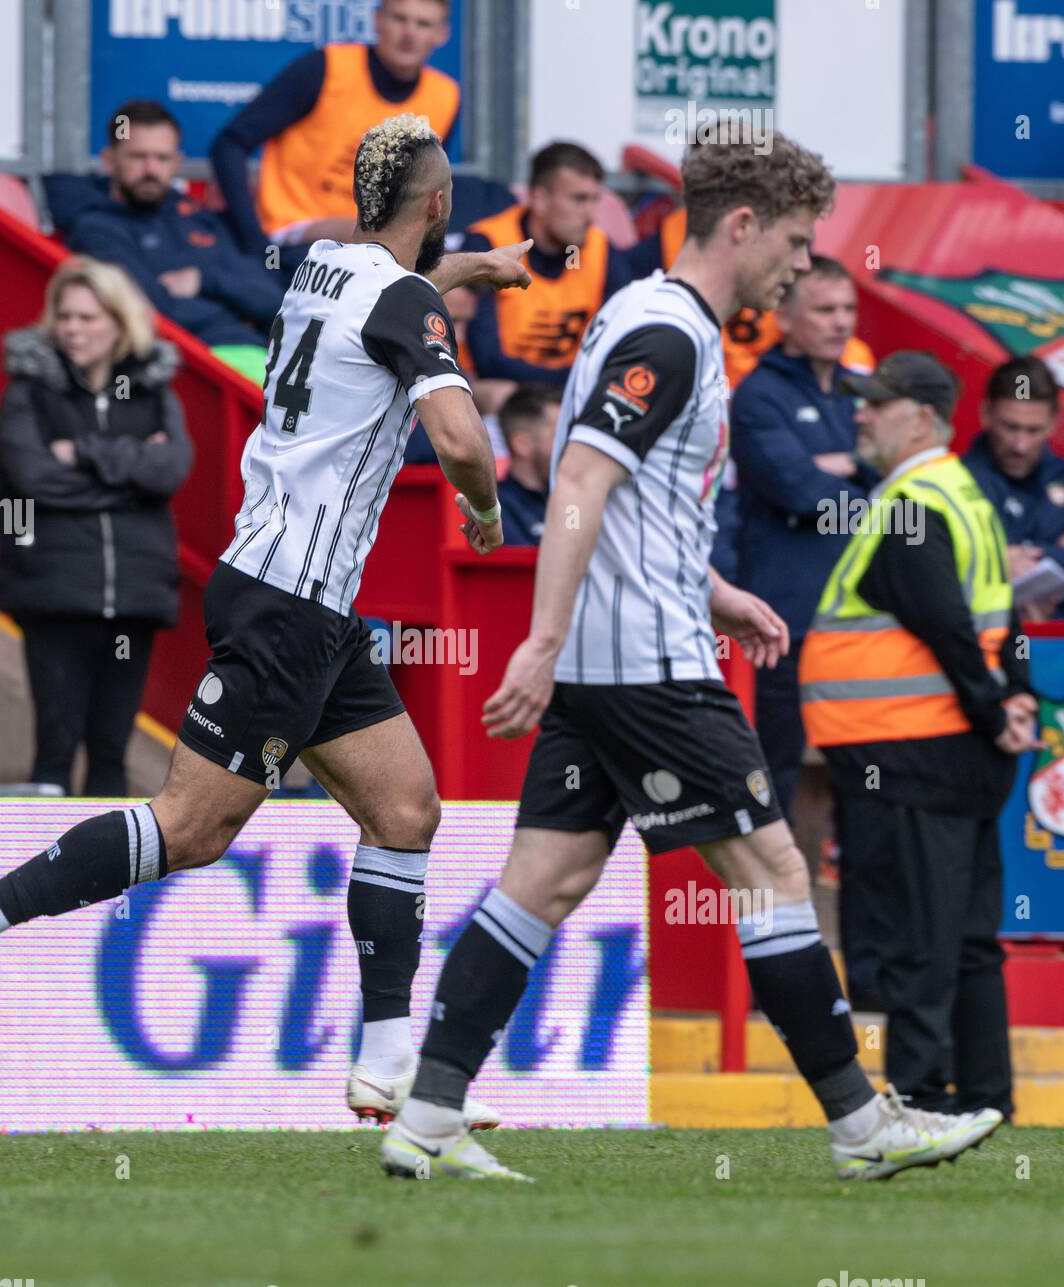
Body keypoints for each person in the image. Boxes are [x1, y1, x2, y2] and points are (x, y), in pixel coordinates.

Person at [380, 130, 1004, 1183]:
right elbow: (577, 478)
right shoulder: (669, 335)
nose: (803, 266)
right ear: (743, 224)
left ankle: (427, 1110)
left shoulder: (649, 323)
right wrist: (536, 638)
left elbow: (631, 500)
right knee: (771, 872)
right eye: (797, 243)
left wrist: (716, 591)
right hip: (648, 671)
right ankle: (859, 1125)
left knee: (546, 877)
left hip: (609, 656)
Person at [0, 114, 533, 1129]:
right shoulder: (405, 300)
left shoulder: (323, 261)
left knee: (405, 807)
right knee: (191, 829)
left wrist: (468, 268)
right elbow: (457, 436)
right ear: (438, 204)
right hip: (290, 599)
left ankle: (386, 1063)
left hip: (299, 596)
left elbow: (390, 281)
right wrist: (487, 507)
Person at [800, 350, 1040, 1121]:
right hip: (943, 752)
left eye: (878, 402)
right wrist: (1012, 701)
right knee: (966, 936)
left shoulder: (913, 500)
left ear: (924, 419)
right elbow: (1001, 623)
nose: (861, 412)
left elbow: (945, 623)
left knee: (914, 939)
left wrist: (991, 707)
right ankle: (985, 1100)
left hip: (909, 751)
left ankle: (921, 1100)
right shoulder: (962, 494)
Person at [0, 257, 193, 796]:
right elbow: (35, 479)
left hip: (135, 596)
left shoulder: (151, 391)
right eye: (66, 317)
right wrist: (130, 475)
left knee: (111, 754)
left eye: (88, 317)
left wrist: (80, 451)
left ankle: (106, 882)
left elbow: (172, 468)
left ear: (120, 322)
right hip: (54, 592)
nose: (74, 329)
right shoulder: (29, 391)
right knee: (53, 755)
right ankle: (36, 880)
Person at [731, 256, 877, 822]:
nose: (841, 322)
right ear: (785, 319)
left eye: (848, 309)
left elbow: (896, 474)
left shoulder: (864, 388)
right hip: (784, 621)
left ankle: (854, 909)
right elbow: (802, 493)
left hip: (859, 620)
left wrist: (841, 467)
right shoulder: (758, 396)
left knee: (864, 774)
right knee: (776, 770)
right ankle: (772, 906)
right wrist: (856, 477)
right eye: (825, 309)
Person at [212, 0, 460, 263]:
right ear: (377, 20)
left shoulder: (445, 96)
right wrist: (255, 243)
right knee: (373, 235)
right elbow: (230, 143)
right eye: (400, 19)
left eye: (423, 24)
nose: (409, 33)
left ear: (442, 34)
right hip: (295, 232)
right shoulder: (326, 67)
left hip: (377, 247)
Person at [66, 101, 284, 376]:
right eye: (137, 157)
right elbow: (153, 310)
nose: (150, 169)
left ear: (177, 162)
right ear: (110, 160)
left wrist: (204, 280)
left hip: (260, 356)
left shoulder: (198, 217)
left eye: (162, 158)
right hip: (191, 367)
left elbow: (275, 300)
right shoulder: (98, 228)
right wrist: (237, 301)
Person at [631, 203, 875, 391]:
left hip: (783, 370)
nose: (801, 262)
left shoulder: (785, 231)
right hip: (721, 384)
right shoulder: (662, 247)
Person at [463, 143, 634, 388]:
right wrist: (573, 381)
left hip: (571, 389)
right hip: (504, 390)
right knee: (499, 393)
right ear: (539, 199)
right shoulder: (490, 243)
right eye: (579, 199)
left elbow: (620, 346)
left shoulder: (600, 249)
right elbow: (487, 359)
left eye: (595, 200)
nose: (590, 214)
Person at [963, 355, 1064, 622]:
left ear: (1054, 422)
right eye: (1011, 427)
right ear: (986, 414)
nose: (1021, 445)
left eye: (1034, 430)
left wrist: (1010, 555)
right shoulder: (958, 482)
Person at [495, 386, 561, 545]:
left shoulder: (570, 502)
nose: (571, 445)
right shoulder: (494, 509)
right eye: (559, 435)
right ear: (522, 444)